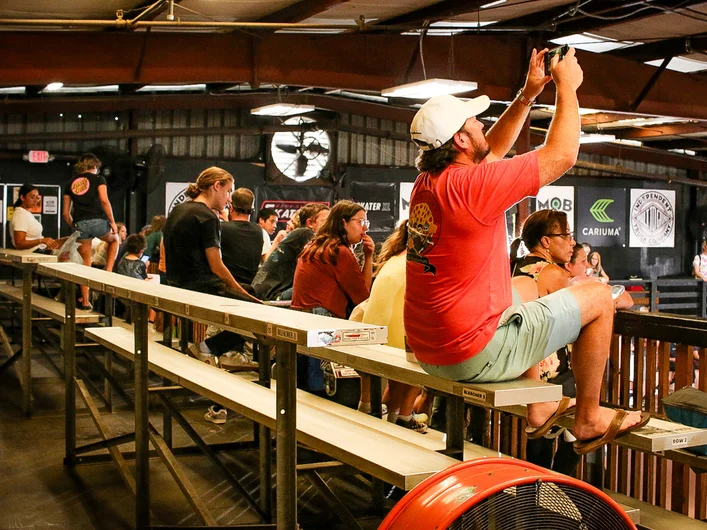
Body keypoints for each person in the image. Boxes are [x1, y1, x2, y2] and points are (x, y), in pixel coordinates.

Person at [404, 47, 648, 455]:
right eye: (474, 123)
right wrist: (567, 86)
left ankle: (539, 402)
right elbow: (562, 155)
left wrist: (528, 94)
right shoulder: (473, 188)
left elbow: (491, 151)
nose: (482, 124)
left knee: (524, 288)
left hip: (431, 351)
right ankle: (589, 417)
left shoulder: (431, 182)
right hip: (469, 354)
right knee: (599, 297)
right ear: (461, 139)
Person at [163, 167, 261, 424]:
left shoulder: (178, 211)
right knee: (262, 316)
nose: (229, 198)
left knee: (250, 301)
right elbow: (217, 266)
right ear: (215, 186)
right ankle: (210, 348)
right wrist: (242, 294)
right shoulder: (207, 217)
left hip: (176, 285)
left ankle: (214, 351)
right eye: (228, 191)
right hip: (201, 287)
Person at [292, 200, 373, 392]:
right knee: (319, 387)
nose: (364, 228)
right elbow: (362, 297)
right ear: (343, 222)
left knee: (304, 386)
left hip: (301, 316)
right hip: (322, 319)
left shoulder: (316, 245)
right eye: (359, 221)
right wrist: (369, 257)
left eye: (366, 222)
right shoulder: (339, 251)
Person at [357, 220, 428, 432]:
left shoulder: (395, 258)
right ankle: (404, 417)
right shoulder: (419, 263)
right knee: (425, 363)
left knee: (397, 379)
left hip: (377, 331)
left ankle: (390, 415)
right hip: (395, 333)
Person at [62, 153, 120, 309]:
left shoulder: (70, 183)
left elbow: (65, 213)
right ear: (94, 167)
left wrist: (74, 225)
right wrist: (113, 223)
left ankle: (86, 301)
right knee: (114, 240)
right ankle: (108, 272)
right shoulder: (98, 179)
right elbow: (104, 200)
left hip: (80, 223)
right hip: (98, 221)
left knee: (85, 264)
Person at [252, 203, 330, 301]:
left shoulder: (299, 234)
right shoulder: (306, 233)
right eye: (326, 221)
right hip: (271, 295)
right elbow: (325, 262)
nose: (330, 225)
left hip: (262, 292)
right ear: (310, 223)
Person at [220, 188, 265, 287]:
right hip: (249, 287)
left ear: (231, 208)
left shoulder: (222, 228)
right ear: (252, 210)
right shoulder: (259, 230)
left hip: (227, 287)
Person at [10, 184, 60, 251]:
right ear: (22, 197)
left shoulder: (26, 213)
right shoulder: (20, 214)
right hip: (32, 254)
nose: (35, 200)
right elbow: (19, 243)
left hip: (40, 250)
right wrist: (41, 241)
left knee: (69, 241)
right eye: (32, 197)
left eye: (37, 198)